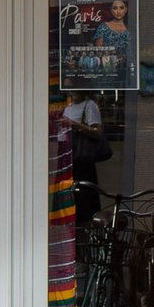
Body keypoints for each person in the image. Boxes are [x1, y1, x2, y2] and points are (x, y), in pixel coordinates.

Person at [63, 89, 107, 224]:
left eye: (73, 88)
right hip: (69, 159)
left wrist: (76, 125)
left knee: (85, 199)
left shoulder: (89, 105)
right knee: (71, 199)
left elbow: (97, 132)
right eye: (68, 89)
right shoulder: (68, 108)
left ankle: (86, 231)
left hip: (83, 160)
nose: (71, 92)